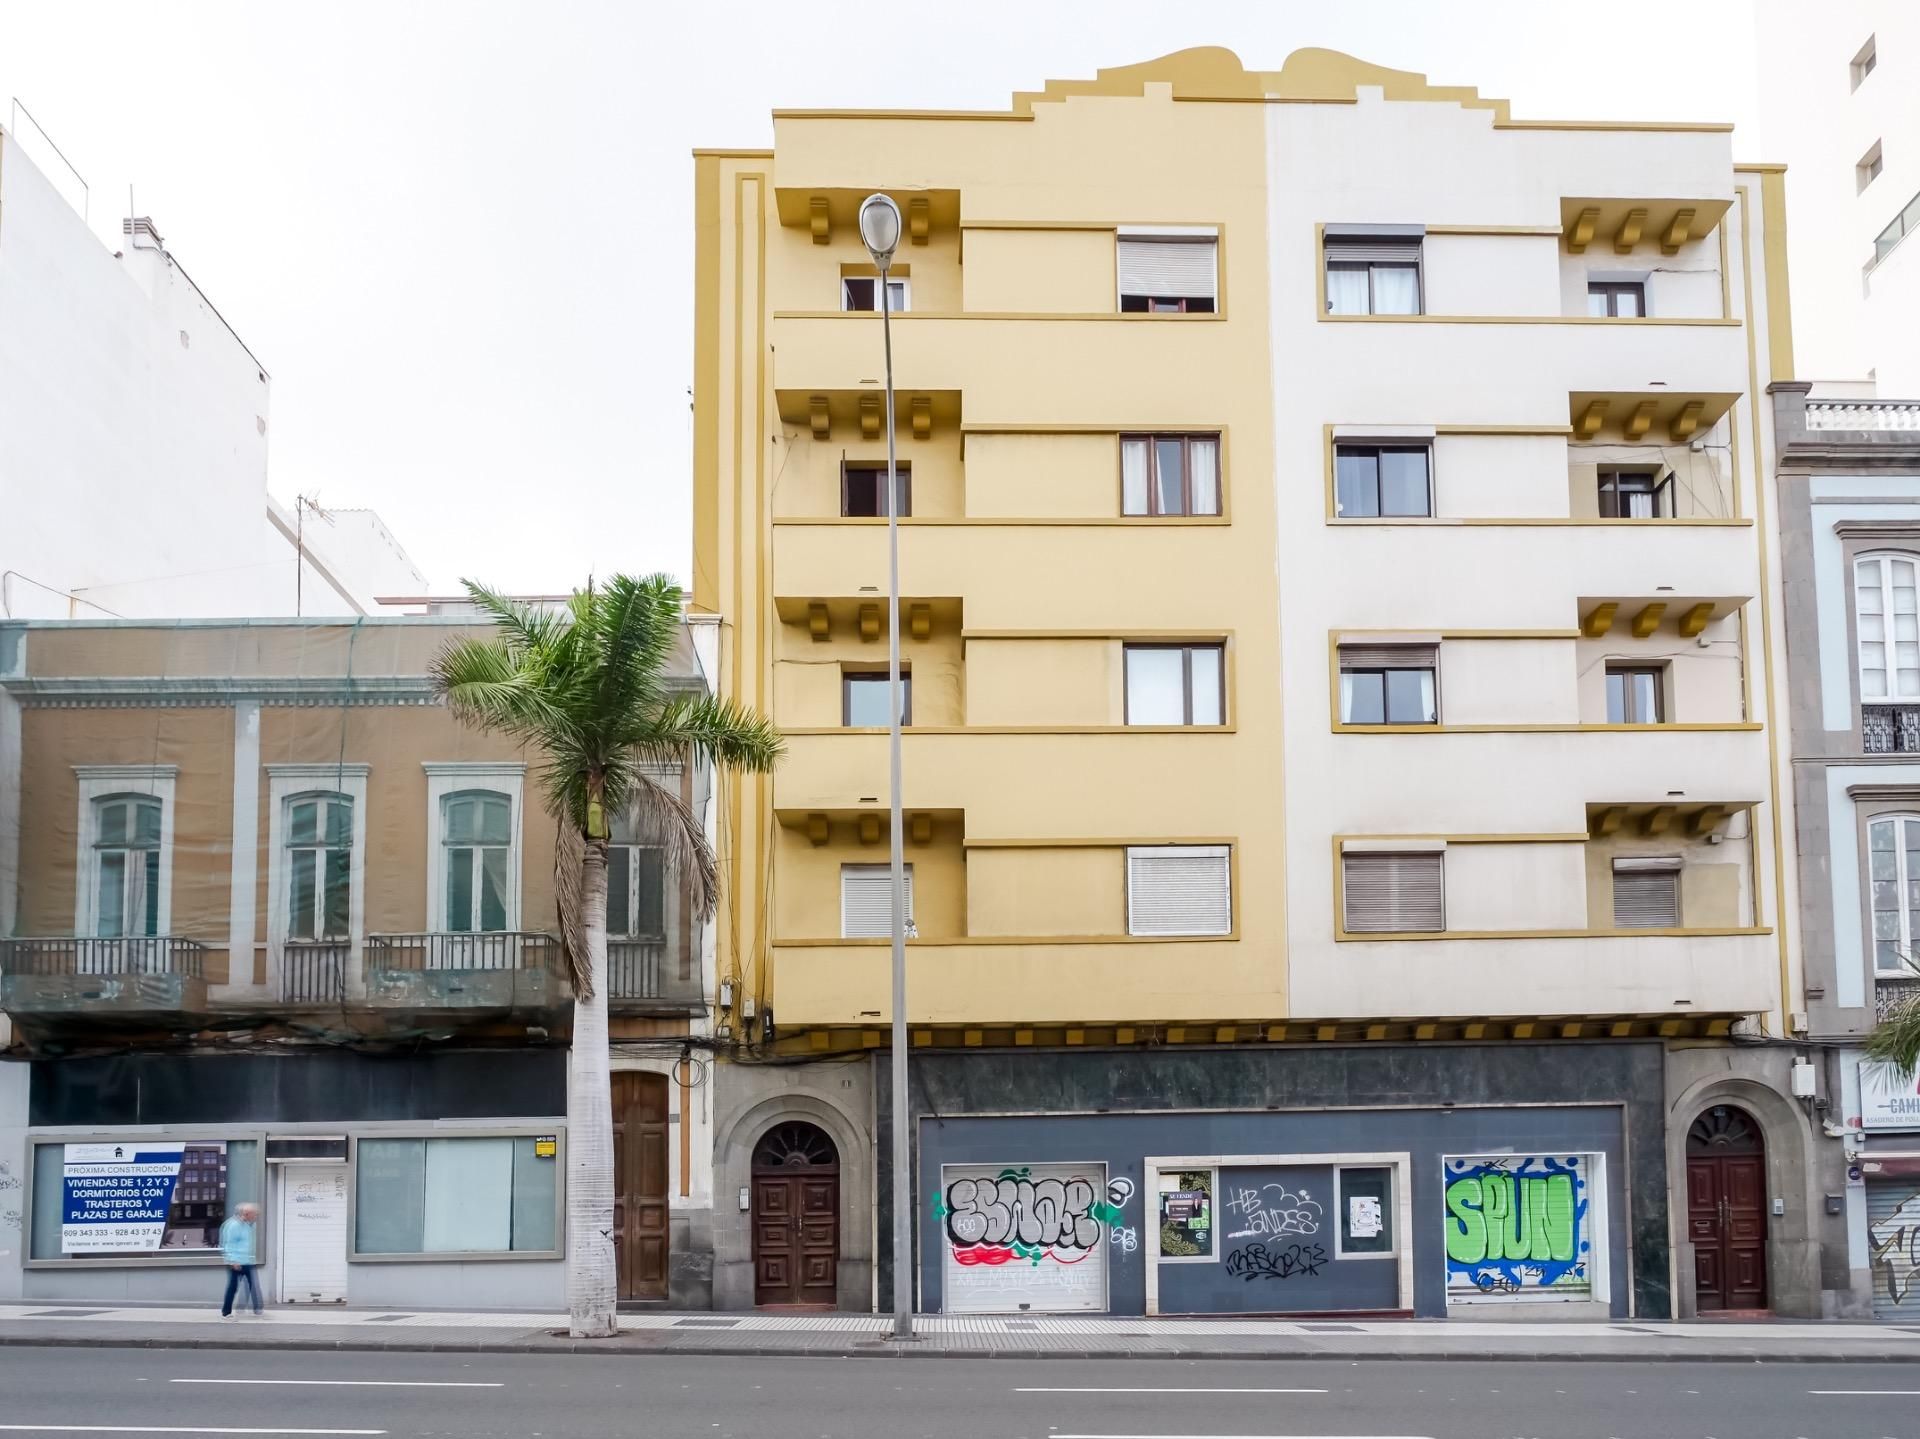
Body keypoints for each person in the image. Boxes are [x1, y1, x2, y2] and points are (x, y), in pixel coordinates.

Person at [218, 1202, 264, 1319]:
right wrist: (233, 1260)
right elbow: (228, 1244)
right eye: (254, 1214)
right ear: (246, 1214)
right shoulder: (233, 1225)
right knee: (233, 1287)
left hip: (247, 1261)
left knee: (254, 1286)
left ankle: (257, 1309)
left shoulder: (248, 1225)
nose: (256, 1216)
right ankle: (226, 1312)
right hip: (236, 1262)